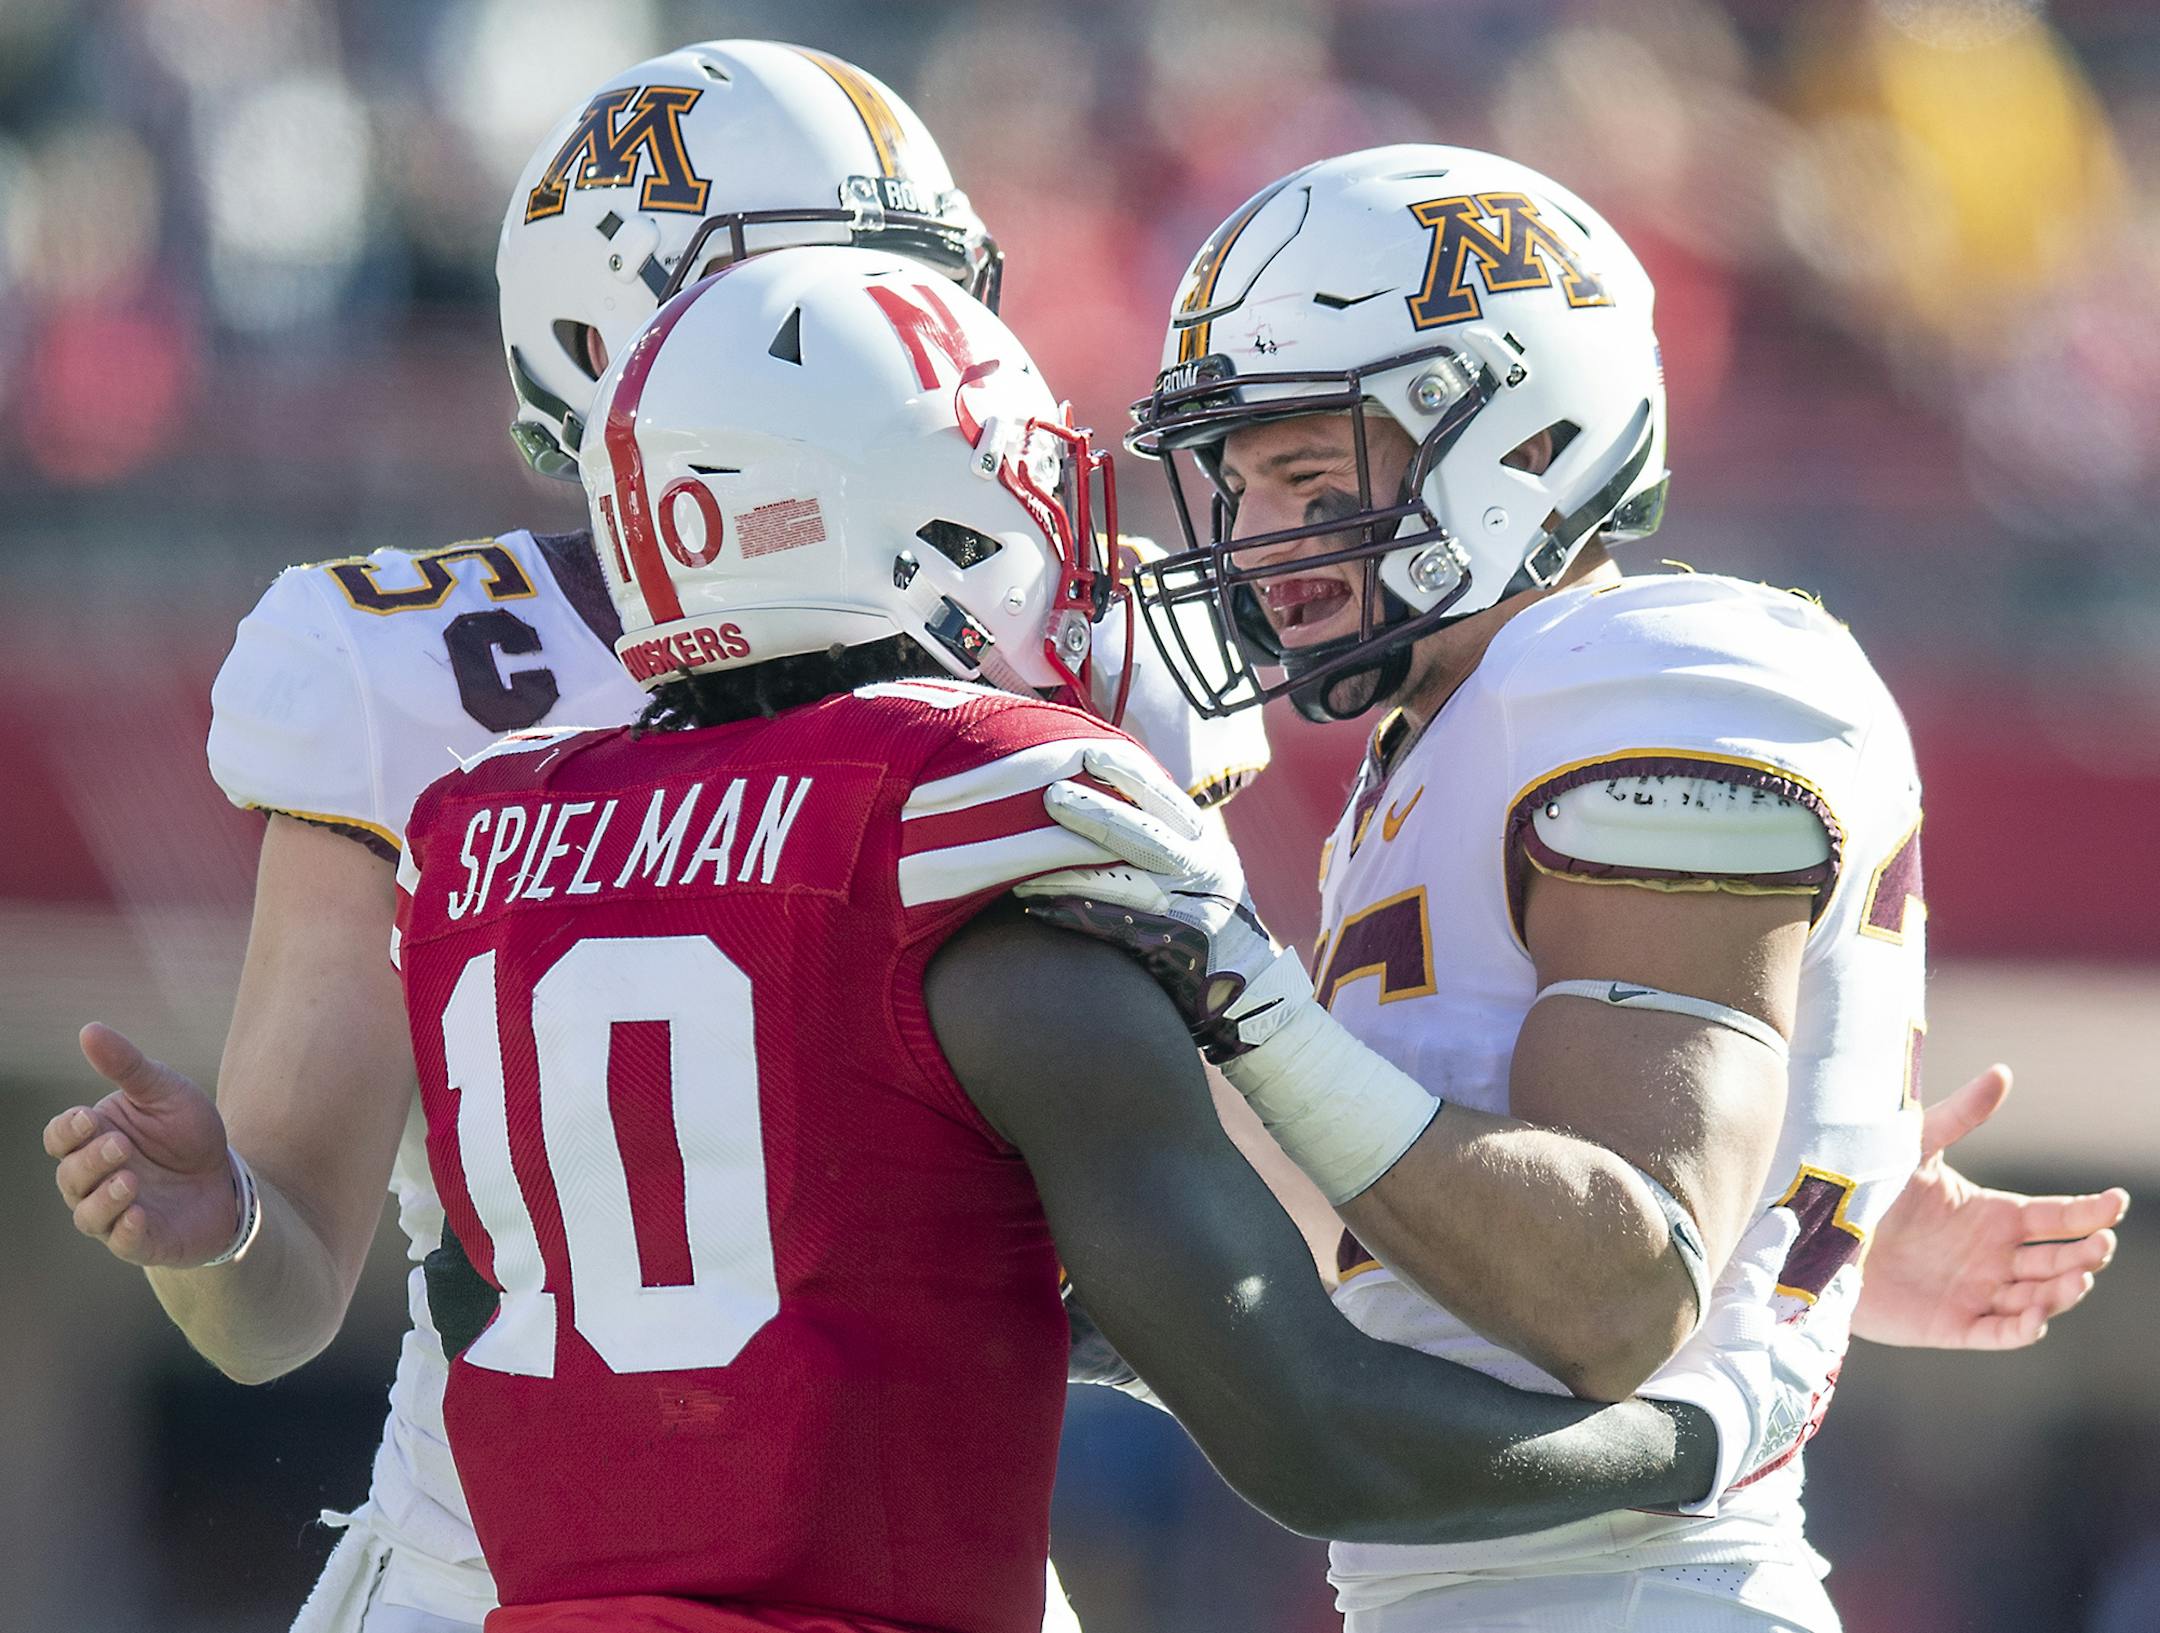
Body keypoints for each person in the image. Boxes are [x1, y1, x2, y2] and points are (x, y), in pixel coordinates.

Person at [37, 80, 2109, 1633]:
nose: (939, 364)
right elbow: (1242, 1303)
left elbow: (1149, 1230)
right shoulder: (1016, 776)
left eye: (1320, 458)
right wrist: (1764, 1341)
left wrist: (1792, 1214)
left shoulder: (504, 802)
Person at [390, 240, 1823, 1633]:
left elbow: (480, 1285)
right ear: (938, 522)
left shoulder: (492, 835)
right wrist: (1698, 1438)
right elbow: (1316, 1435)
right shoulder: (982, 843)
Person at [31, 41, 1255, 1633]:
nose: (914, 351)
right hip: (509, 1565)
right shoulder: (427, 665)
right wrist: (220, 1228)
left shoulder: (1049, 626)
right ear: (622, 346)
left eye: (923, 292)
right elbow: (279, 1297)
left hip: (922, 1541)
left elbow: (1197, 1212)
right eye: (823, 304)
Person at [1016, 144, 2131, 1630]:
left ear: (1521, 438)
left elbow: (1614, 1289)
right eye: (1238, 477)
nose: (1265, 533)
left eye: (1307, 466)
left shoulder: (1656, 672)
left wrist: (1236, 985)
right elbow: (1408, 1284)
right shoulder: (1441, 745)